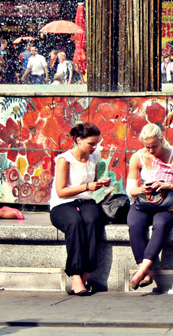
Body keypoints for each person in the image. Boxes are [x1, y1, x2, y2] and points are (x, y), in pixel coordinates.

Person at [49, 122, 111, 296]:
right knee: (75, 223)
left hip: (85, 201)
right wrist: (87, 186)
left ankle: (85, 274)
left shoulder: (95, 156)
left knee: (93, 220)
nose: (94, 147)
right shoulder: (64, 159)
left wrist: (100, 184)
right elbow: (61, 192)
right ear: (78, 140)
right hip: (62, 204)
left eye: (96, 143)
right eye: (91, 143)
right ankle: (75, 275)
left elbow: (92, 183)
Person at [126, 123, 173, 290]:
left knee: (160, 224)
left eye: (154, 146)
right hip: (145, 201)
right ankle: (145, 273)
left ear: (162, 140)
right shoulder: (137, 157)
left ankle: (141, 272)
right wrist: (141, 189)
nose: (151, 151)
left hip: (168, 203)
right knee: (134, 224)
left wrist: (167, 185)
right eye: (147, 147)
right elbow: (130, 190)